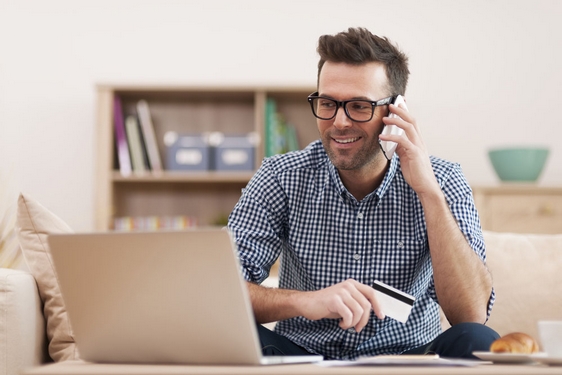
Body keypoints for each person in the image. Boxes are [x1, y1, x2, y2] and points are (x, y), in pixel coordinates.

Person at [227, 27, 499, 360]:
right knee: (221, 330)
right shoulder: (281, 177)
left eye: (358, 106)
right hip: (302, 357)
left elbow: (471, 315)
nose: (339, 122)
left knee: (477, 339)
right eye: (327, 103)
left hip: (408, 358)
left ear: (395, 112)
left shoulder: (443, 179)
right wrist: (304, 301)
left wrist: (428, 192)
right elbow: (224, 293)